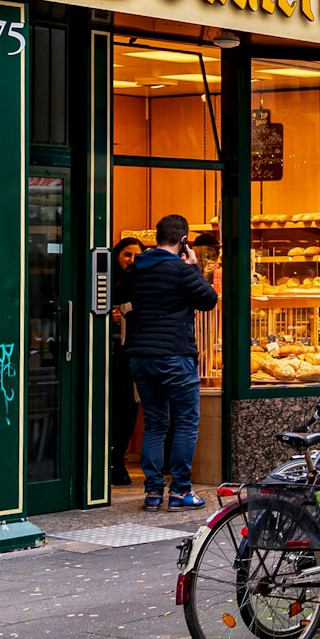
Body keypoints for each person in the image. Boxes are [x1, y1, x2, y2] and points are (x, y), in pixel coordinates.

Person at [116, 215, 218, 510]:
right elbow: (208, 299)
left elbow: (119, 294)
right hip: (175, 355)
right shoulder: (180, 270)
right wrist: (194, 267)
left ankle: (152, 492)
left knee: (155, 424)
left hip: (140, 357)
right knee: (185, 422)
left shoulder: (137, 269)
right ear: (184, 240)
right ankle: (180, 491)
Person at [107, 237, 144, 486]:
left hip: (130, 355)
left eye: (136, 256)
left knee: (128, 409)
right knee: (110, 409)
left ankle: (118, 460)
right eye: (127, 255)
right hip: (107, 355)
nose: (131, 260)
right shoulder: (105, 280)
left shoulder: (143, 282)